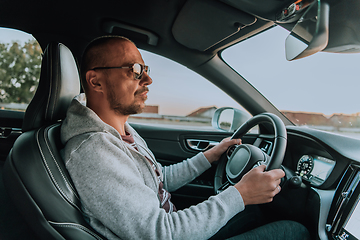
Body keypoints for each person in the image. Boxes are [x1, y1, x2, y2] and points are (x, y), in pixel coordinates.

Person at [61, 36, 310, 240]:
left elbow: (159, 180)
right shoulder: (94, 150)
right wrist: (240, 194)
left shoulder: (121, 130)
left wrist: (208, 156)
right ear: (96, 81)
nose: (148, 80)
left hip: (174, 227)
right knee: (294, 232)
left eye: (145, 70)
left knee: (256, 214)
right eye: (135, 70)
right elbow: (162, 233)